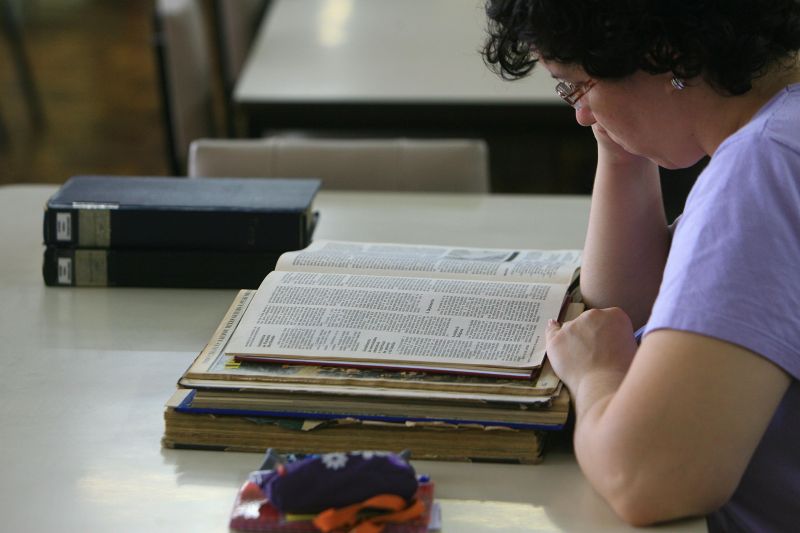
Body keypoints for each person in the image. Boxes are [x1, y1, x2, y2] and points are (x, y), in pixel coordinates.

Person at [483, 1, 800, 530]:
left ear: (661, 53)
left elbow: (649, 479)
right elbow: (636, 303)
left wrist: (597, 376)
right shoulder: (780, 126)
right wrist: (622, 144)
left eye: (576, 85)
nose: (580, 114)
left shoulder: (762, 166)